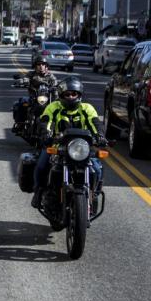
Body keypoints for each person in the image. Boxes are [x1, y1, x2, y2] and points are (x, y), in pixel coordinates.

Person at [31, 77, 106, 209]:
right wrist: (45, 134)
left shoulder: (87, 108)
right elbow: (45, 122)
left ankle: (94, 193)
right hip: (57, 147)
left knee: (97, 169)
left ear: (79, 95)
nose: (70, 97)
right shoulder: (53, 107)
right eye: (67, 94)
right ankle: (38, 192)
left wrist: (100, 136)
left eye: (73, 94)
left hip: (82, 149)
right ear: (61, 95)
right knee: (41, 166)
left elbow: (95, 123)